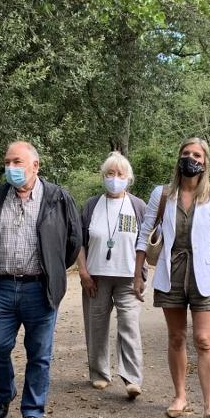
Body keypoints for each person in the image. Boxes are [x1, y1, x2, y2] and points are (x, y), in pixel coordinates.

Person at [0, 141, 81, 418]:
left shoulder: (58, 198)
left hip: (40, 288)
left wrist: (54, 269)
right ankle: (5, 391)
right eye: (8, 162)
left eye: (18, 162)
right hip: (3, 286)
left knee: (39, 354)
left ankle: (33, 411)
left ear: (35, 166)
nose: (11, 168)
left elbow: (73, 241)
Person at [134, 137, 210, 418]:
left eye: (197, 154)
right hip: (170, 273)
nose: (191, 158)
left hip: (205, 275)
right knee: (176, 337)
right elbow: (146, 230)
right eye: (186, 153)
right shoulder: (162, 194)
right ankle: (180, 396)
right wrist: (138, 273)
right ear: (178, 158)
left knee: (204, 340)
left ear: (206, 162)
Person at [77, 152, 146, 399]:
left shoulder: (138, 206)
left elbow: (144, 243)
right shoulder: (91, 205)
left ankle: (132, 378)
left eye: (119, 174)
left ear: (128, 178)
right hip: (96, 277)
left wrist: (140, 276)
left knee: (129, 325)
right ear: (103, 176)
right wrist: (83, 272)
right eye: (110, 173)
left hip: (128, 277)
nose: (114, 178)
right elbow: (79, 242)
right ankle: (99, 373)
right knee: (96, 325)